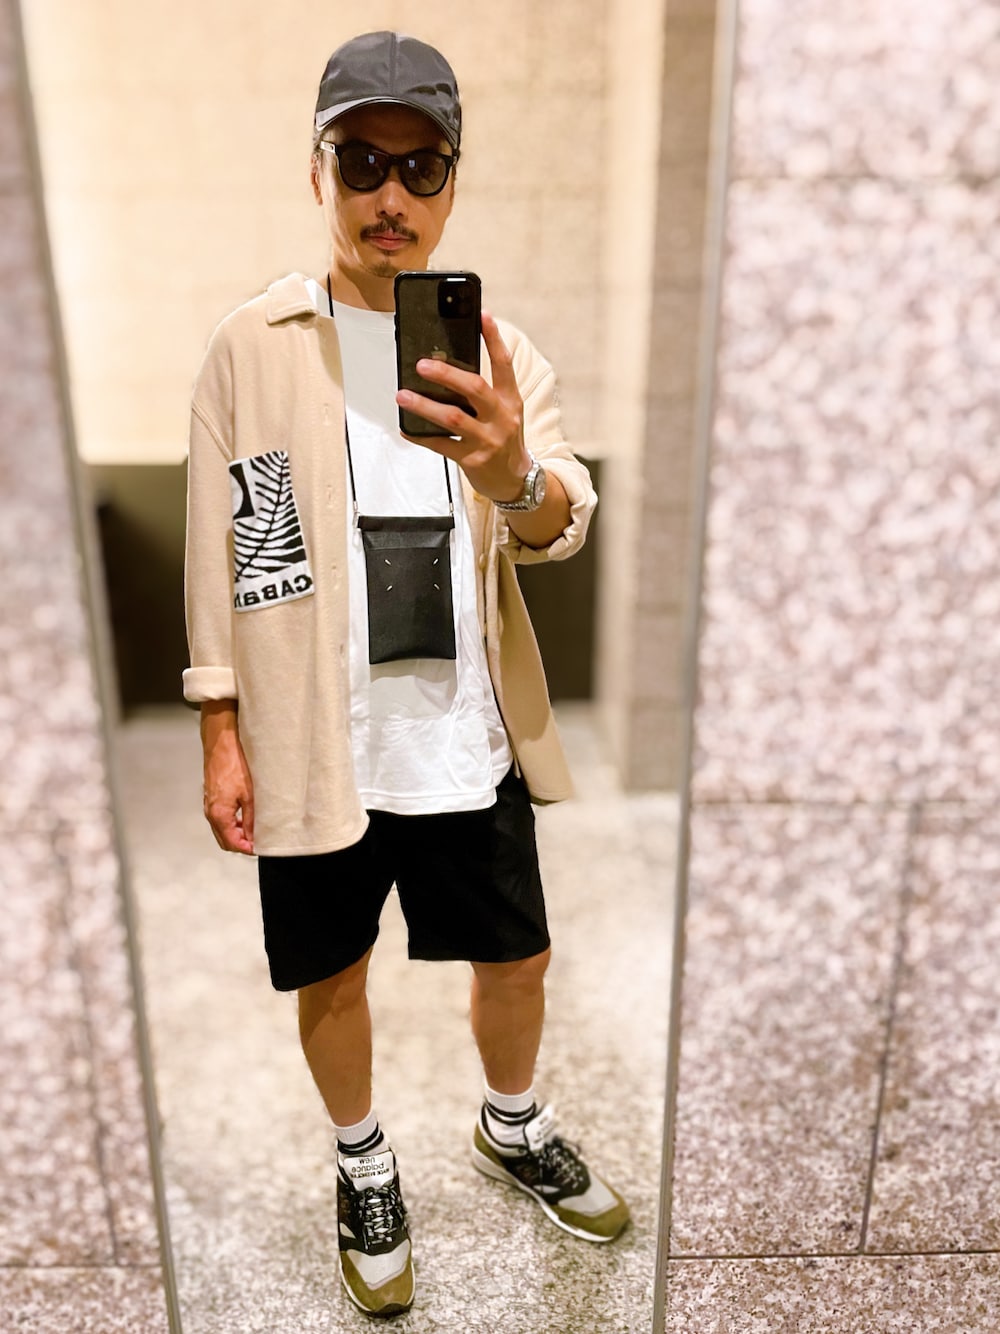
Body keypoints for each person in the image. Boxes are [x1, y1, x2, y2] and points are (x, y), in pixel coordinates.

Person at [183, 29, 628, 1320]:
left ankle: (512, 1124)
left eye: (421, 166)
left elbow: (561, 517)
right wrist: (222, 725)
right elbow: (234, 545)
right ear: (319, 171)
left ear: (453, 180)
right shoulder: (256, 346)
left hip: (464, 732)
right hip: (319, 733)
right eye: (363, 161)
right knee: (331, 969)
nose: (393, 194)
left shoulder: (496, 349)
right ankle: (364, 1161)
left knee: (520, 957)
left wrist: (512, 472)